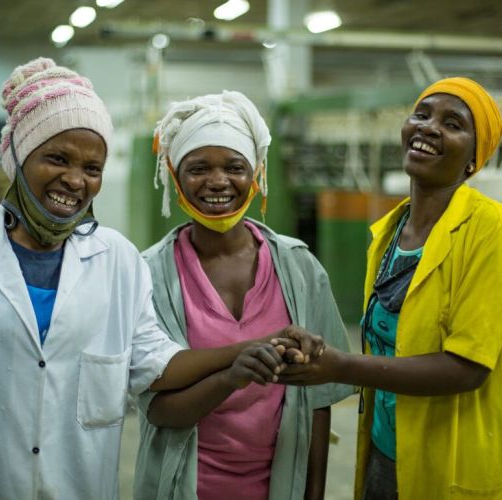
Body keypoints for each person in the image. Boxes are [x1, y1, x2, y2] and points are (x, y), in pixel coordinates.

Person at [0, 59, 318, 500]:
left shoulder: (117, 260)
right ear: (17, 157)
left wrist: (250, 348)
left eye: (92, 168)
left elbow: (155, 363)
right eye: (57, 159)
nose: (74, 180)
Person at [278, 77, 502, 499]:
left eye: (453, 123)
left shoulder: (493, 231)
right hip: (387, 448)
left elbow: (466, 367)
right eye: (422, 114)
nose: (429, 127)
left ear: (475, 157)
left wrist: (338, 365)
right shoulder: (391, 231)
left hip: (457, 459)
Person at [134, 90, 354, 500]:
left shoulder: (299, 267)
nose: (218, 181)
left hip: (279, 486)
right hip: (185, 487)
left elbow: (320, 402)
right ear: (174, 175)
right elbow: (159, 410)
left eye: (234, 167)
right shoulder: (149, 274)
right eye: (198, 168)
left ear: (255, 174)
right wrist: (231, 377)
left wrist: (315, 494)